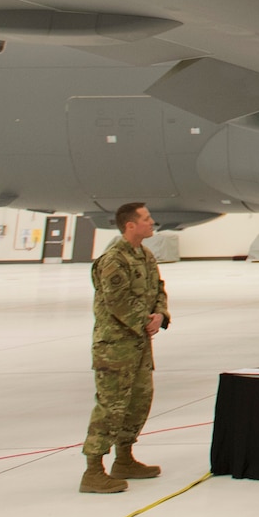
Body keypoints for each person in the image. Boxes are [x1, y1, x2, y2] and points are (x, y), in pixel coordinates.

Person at [81, 202, 170, 494]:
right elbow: (115, 300)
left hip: (140, 345)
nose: (152, 222)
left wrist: (160, 315)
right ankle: (93, 471)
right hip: (115, 349)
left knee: (138, 403)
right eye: (146, 218)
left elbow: (159, 290)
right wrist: (144, 321)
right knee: (111, 407)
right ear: (130, 225)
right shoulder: (113, 260)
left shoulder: (145, 256)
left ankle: (124, 459)